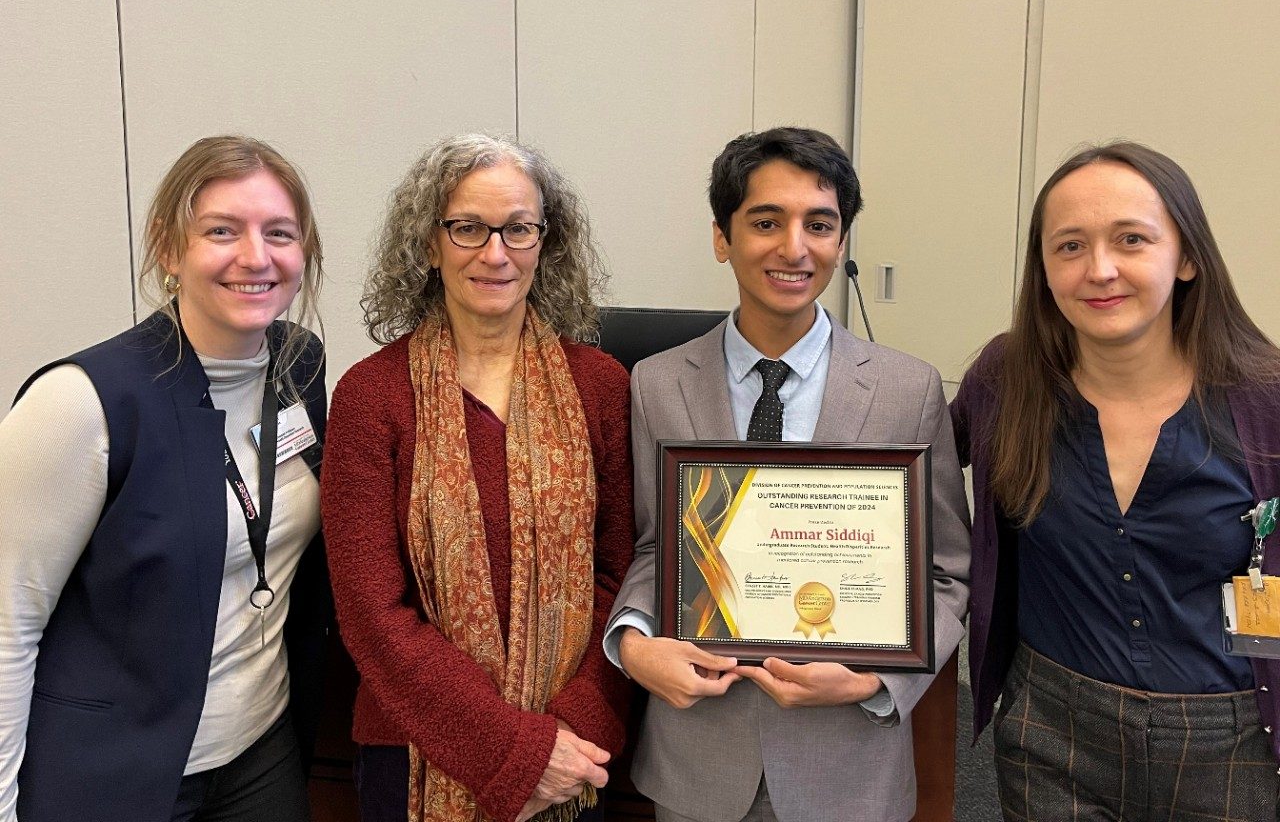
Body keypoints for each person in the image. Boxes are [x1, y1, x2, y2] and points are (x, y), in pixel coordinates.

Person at [605, 126, 971, 822]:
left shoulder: (908, 389)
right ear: (723, 238)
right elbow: (655, 546)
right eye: (766, 222)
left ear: (841, 240)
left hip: (847, 763)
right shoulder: (655, 385)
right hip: (700, 757)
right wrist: (632, 641)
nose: (794, 247)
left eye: (820, 224)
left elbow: (946, 571)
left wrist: (874, 678)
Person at [0, 136, 329, 822]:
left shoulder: (299, 367)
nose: (255, 256)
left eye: (279, 233)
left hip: (260, 754)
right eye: (221, 231)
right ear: (167, 247)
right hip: (115, 773)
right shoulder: (82, 403)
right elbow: (8, 625)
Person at [952, 141, 1280, 820]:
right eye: (1069, 246)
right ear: (1042, 269)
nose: (1099, 270)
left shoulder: (1265, 399)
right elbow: (891, 481)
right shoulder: (1006, 381)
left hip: (1231, 741)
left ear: (1187, 257)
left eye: (1131, 239)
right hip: (1052, 730)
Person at [320, 134, 633, 822]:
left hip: (575, 754)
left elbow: (623, 577)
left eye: (519, 229)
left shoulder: (601, 387)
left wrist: (567, 743)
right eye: (467, 228)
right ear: (428, 244)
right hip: (414, 753)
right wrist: (514, 755)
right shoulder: (371, 397)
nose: (495, 254)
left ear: (546, 242)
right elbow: (372, 613)